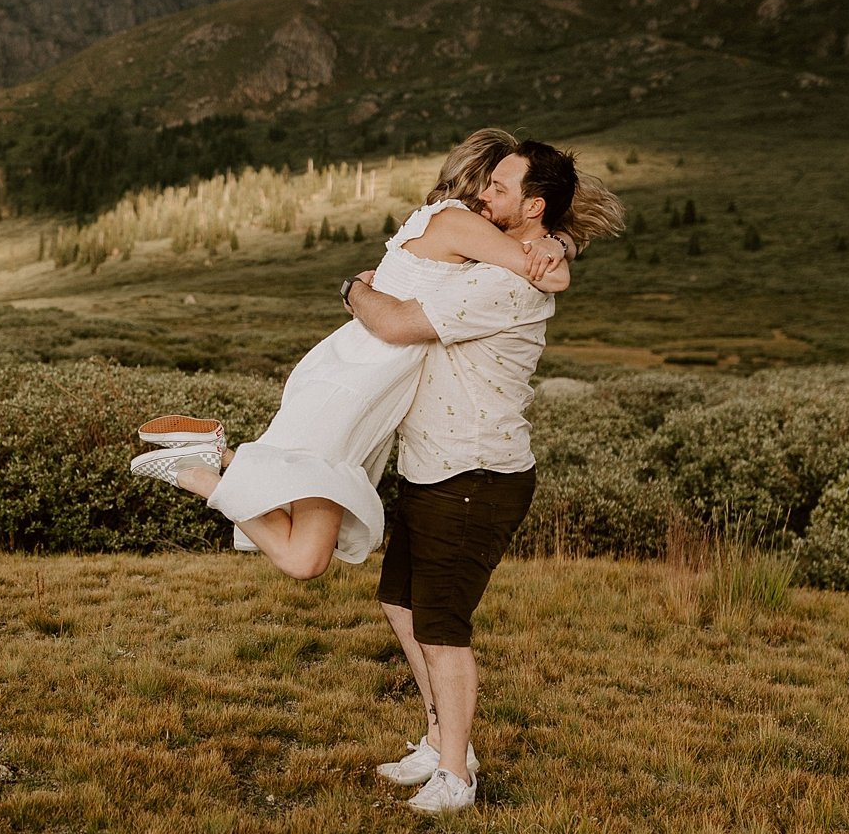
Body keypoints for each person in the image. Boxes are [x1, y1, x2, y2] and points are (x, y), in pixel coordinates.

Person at [127, 128, 584, 582]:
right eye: (490, 184)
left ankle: (211, 460)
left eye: (498, 189)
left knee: (305, 556)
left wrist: (560, 240)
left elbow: (542, 249)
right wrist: (552, 246)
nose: (488, 195)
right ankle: (202, 468)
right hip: (358, 382)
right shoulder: (455, 222)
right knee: (302, 557)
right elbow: (551, 278)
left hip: (367, 380)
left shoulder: (453, 225)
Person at [341, 137, 622, 815]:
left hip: (474, 472)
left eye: (499, 188)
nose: (482, 195)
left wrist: (351, 290)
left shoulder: (506, 281)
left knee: (442, 629)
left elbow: (401, 323)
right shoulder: (507, 256)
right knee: (401, 605)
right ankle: (443, 743)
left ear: (534, 205)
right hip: (434, 465)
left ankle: (458, 778)